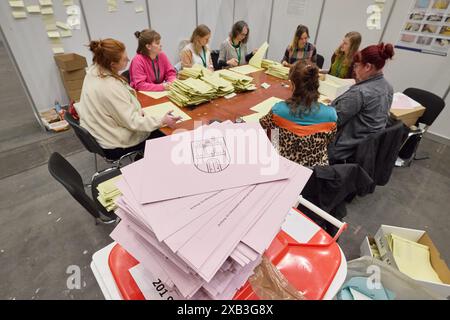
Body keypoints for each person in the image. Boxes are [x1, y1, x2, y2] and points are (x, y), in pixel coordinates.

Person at [76, 39, 181, 159]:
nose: (128, 60)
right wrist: (162, 121)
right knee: (166, 133)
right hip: (114, 144)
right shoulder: (109, 87)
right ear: (112, 64)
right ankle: (145, 162)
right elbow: (132, 122)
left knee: (155, 124)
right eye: (124, 58)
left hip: (100, 132)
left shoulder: (93, 72)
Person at [259, 61, 337, 167]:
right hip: (316, 173)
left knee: (272, 135)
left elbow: (262, 126)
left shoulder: (278, 110)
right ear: (316, 85)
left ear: (293, 84)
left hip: (284, 167)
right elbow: (329, 140)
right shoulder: (331, 115)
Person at [328, 43, 395, 163]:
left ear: (368, 67)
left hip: (342, 151)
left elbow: (331, 121)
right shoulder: (388, 88)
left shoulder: (359, 92)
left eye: (356, 66)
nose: (354, 70)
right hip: (365, 150)